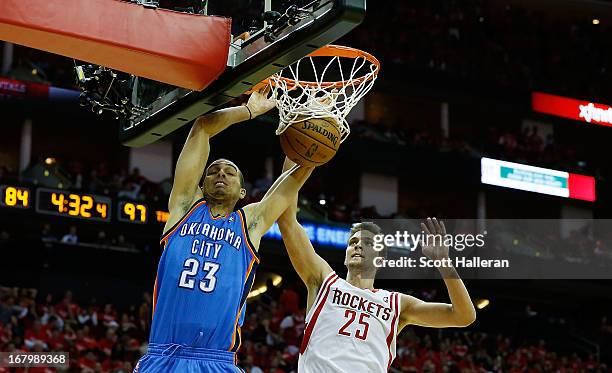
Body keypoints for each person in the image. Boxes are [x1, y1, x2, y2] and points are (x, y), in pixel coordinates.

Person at [135, 88, 313, 373]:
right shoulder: (184, 208)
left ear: (243, 192)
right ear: (201, 185)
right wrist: (250, 111)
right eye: (213, 171)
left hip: (217, 360)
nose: (220, 174)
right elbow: (202, 127)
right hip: (163, 354)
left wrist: (311, 124)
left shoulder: (249, 223)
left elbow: (293, 179)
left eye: (230, 172)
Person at [277, 160, 476, 372]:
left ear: (380, 259)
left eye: (368, 243)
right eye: (353, 242)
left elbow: (463, 316)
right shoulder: (323, 280)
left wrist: (444, 264)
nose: (358, 246)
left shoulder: (397, 304)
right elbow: (288, 220)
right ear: (345, 256)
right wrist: (296, 159)